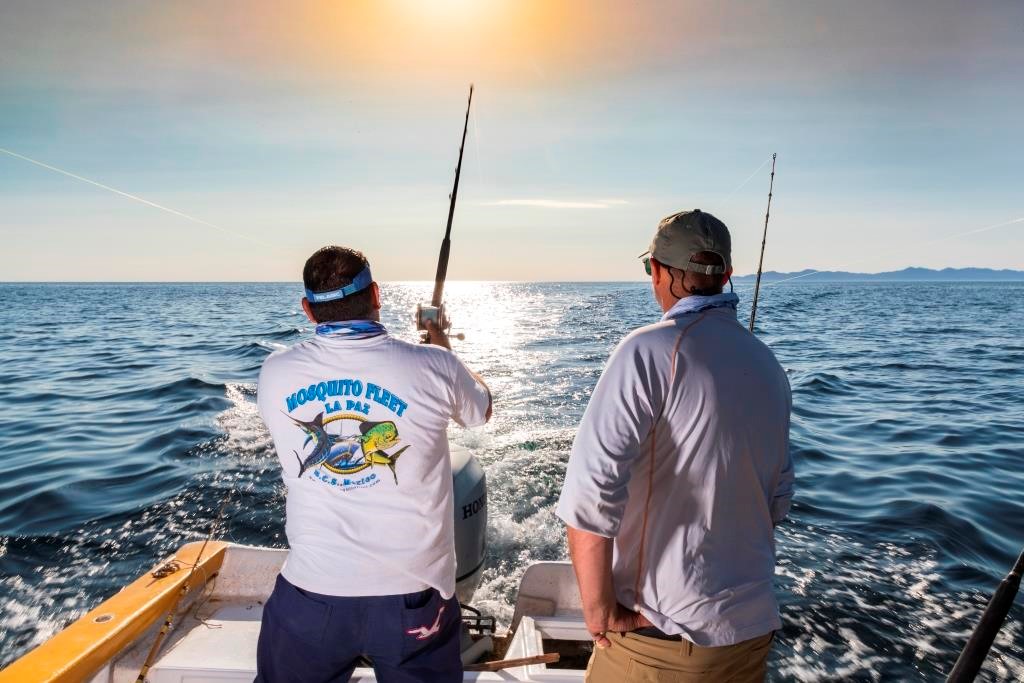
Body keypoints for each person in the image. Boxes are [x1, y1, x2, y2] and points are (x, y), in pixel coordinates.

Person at [556, 210, 794, 682]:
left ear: (659, 272)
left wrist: (601, 612)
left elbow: (588, 499)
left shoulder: (645, 352)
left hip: (662, 645)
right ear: (725, 275)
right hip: (750, 634)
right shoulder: (769, 366)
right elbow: (777, 502)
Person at [255, 245, 492, 683]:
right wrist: (442, 344)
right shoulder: (436, 365)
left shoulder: (274, 372)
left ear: (308, 309)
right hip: (414, 604)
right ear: (377, 294)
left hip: (312, 598)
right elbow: (481, 411)